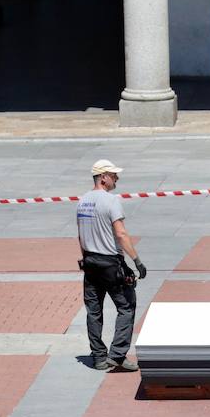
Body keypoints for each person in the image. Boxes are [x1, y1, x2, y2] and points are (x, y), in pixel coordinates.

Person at [76, 158, 147, 371]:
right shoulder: (111, 200)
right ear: (103, 177)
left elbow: (80, 235)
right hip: (109, 263)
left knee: (93, 310)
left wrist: (86, 259)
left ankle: (98, 356)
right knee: (126, 305)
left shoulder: (82, 201)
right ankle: (116, 355)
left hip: (89, 262)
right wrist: (137, 261)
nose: (117, 178)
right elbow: (121, 233)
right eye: (113, 175)